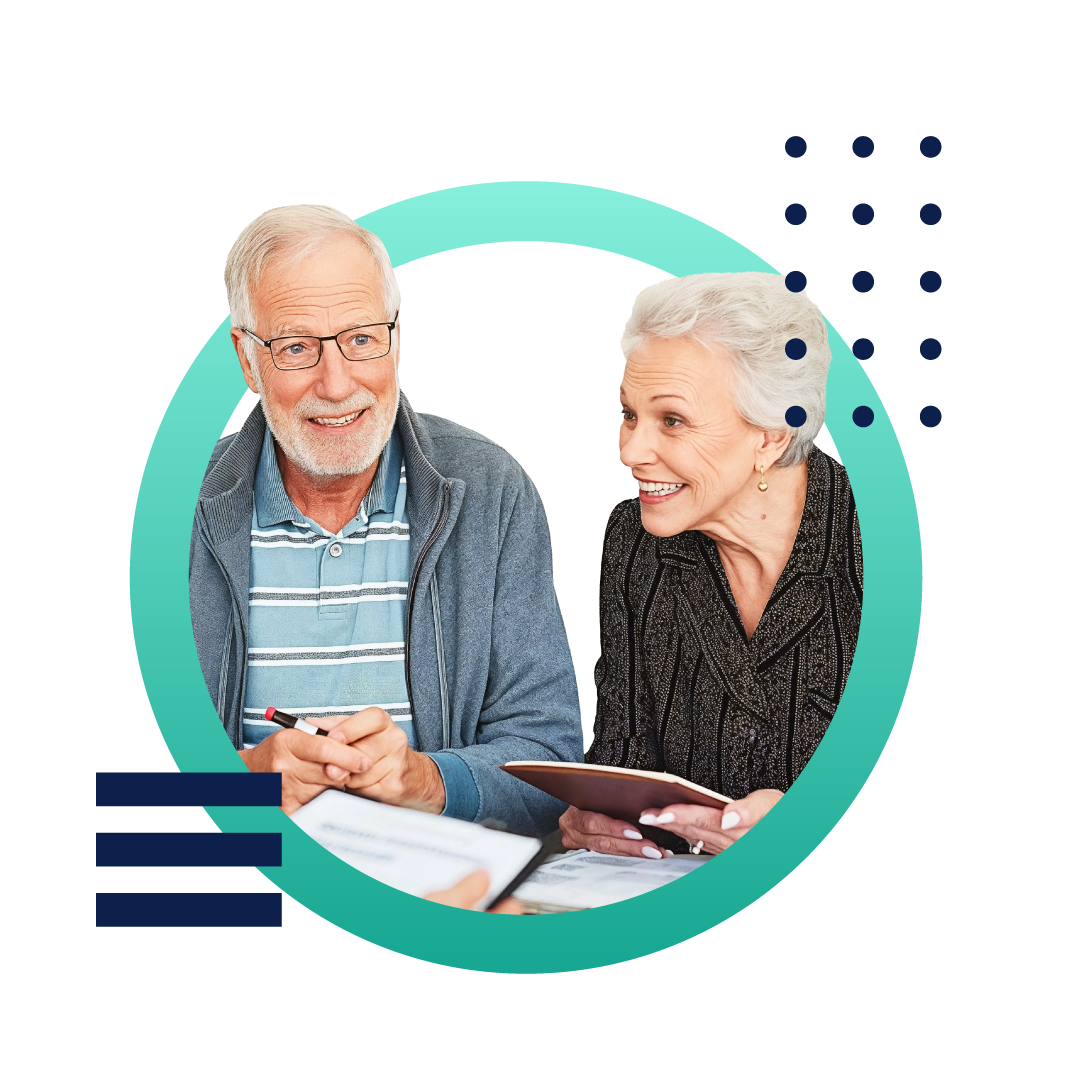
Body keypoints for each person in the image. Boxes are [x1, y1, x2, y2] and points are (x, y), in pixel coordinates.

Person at [190, 204, 582, 838]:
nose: (338, 383)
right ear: (246, 358)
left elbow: (551, 760)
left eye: (362, 339)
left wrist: (426, 782)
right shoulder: (176, 510)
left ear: (397, 335)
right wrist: (240, 781)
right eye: (296, 349)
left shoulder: (491, 490)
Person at [559, 272, 862, 858]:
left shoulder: (875, 552)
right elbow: (624, 760)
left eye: (672, 420)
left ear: (772, 436)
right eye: (629, 414)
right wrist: (596, 823)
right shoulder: (635, 541)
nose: (629, 451)